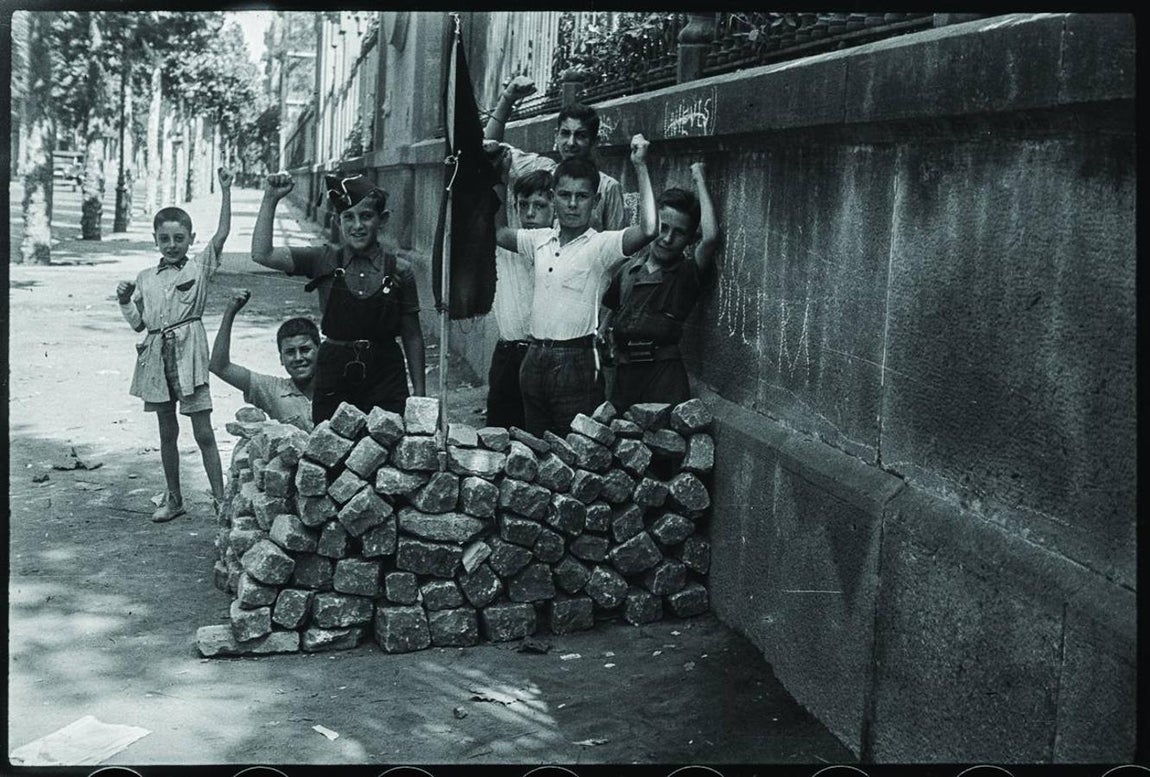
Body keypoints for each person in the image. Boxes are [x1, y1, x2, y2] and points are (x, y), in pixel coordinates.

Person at [495, 135, 657, 436]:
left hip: (576, 362)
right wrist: (496, 176)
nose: (572, 204)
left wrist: (640, 165)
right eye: (565, 195)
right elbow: (501, 232)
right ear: (554, 198)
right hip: (533, 358)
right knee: (536, 450)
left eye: (581, 197)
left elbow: (649, 229)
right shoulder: (539, 240)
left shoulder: (601, 245)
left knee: (576, 452)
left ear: (595, 201)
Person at [250, 172, 426, 423]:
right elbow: (262, 254)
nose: (357, 226)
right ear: (337, 221)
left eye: (366, 216)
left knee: (389, 450)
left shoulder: (400, 270)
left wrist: (420, 398)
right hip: (335, 372)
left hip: (386, 374)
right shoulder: (323, 259)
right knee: (330, 452)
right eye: (348, 217)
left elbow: (412, 334)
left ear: (382, 219)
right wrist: (270, 199)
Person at [116, 167, 233, 522]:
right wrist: (124, 301)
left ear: (190, 238)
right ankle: (175, 498)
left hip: (189, 357)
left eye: (179, 238)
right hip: (155, 359)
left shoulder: (198, 269)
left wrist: (225, 189)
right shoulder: (145, 278)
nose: (171, 245)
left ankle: (220, 501)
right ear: (155, 240)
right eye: (164, 239)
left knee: (203, 431)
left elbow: (223, 233)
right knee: (167, 432)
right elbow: (139, 324)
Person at [601, 162, 720, 409]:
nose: (667, 239)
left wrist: (699, 177)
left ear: (688, 239)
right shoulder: (628, 270)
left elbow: (710, 238)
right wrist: (603, 330)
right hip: (624, 375)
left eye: (678, 233)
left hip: (663, 376)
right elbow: (613, 309)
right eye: (663, 228)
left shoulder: (687, 273)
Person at [485, 76, 626, 233]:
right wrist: (508, 98)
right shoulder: (540, 170)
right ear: (556, 136)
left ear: (595, 141)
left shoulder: (608, 187)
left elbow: (618, 246)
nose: (571, 143)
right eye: (565, 134)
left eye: (580, 136)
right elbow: (491, 149)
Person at [484, 169, 555, 429]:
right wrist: (498, 176)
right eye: (523, 205)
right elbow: (492, 218)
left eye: (540, 206)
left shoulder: (558, 247)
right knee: (500, 435)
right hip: (507, 355)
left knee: (541, 434)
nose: (530, 213)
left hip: (545, 355)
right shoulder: (505, 246)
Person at [209, 289, 318, 432]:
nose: (298, 358)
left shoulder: (338, 386)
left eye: (305, 350)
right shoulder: (273, 390)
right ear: (281, 358)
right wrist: (230, 312)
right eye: (290, 352)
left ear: (320, 351)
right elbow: (220, 367)